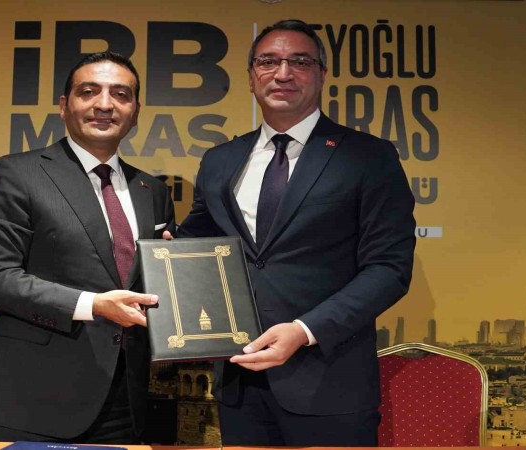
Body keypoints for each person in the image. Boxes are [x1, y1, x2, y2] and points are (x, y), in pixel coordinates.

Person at [176, 19, 416, 446]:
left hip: (329, 381)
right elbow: (198, 243)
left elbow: (389, 268)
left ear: (321, 74)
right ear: (251, 77)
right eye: (268, 62)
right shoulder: (219, 160)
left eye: (300, 62)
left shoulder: (369, 156)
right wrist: (166, 258)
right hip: (239, 380)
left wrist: (305, 330)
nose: (283, 73)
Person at [0, 51, 175, 443]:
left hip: (127, 400)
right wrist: (93, 305)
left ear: (135, 112)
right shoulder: (18, 173)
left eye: (121, 94)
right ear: (64, 106)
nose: (105, 104)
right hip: (32, 394)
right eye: (89, 91)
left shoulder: (152, 191)